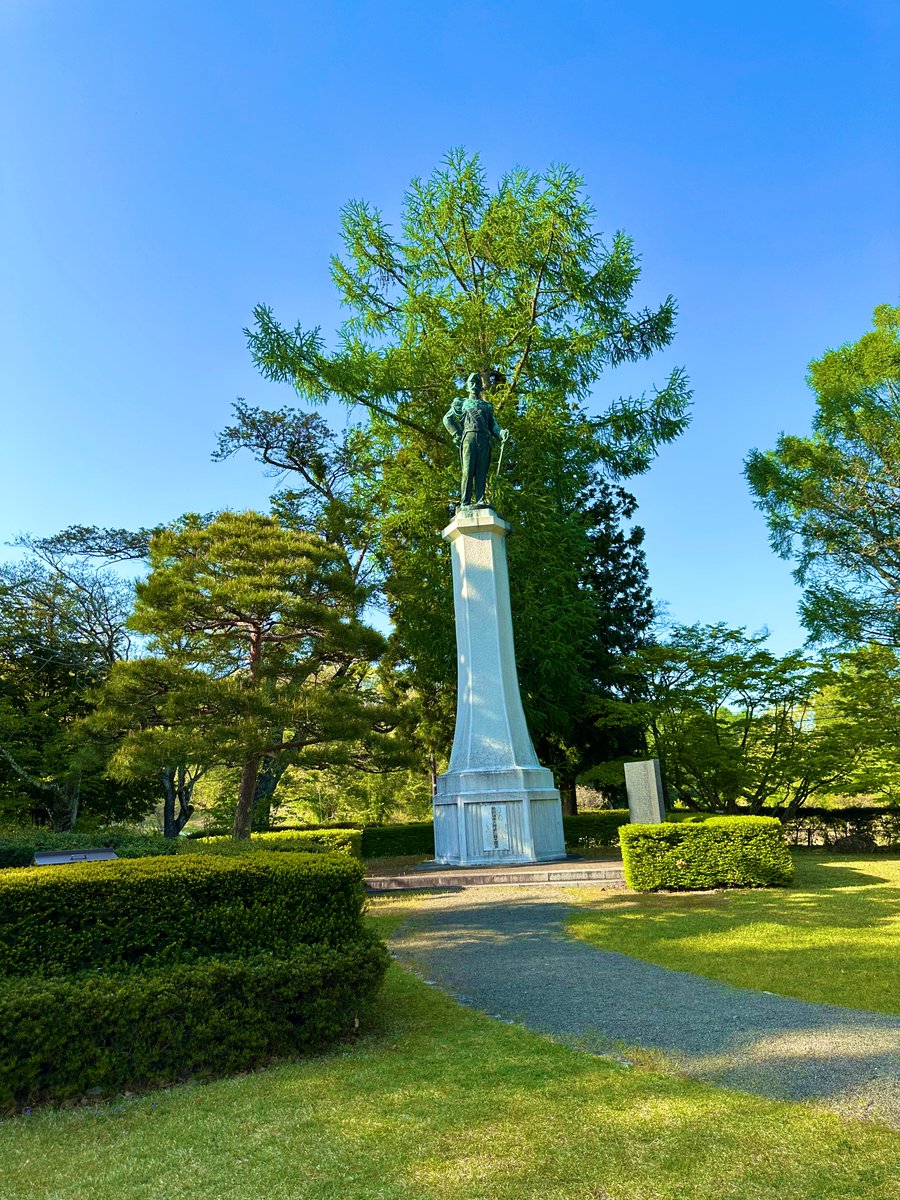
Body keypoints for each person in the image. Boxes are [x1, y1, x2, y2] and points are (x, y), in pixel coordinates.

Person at [443, 372, 509, 507]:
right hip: (469, 438)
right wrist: (456, 434)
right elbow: (447, 419)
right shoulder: (461, 403)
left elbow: (493, 426)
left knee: (481, 471)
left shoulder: (486, 407)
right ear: (467, 387)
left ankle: (480, 499)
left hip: (484, 439)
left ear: (481, 386)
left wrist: (501, 433)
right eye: (472, 383)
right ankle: (465, 502)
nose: (475, 386)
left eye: (478, 383)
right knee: (467, 470)